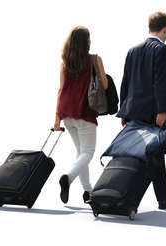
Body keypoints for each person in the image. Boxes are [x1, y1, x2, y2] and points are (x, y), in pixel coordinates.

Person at [116, 11, 166, 209]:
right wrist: (162, 111)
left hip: (133, 111)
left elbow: (126, 82)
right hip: (152, 112)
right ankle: (157, 198)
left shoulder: (132, 50)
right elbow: (161, 83)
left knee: (146, 153)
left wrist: (123, 111)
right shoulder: (162, 50)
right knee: (154, 153)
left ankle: (162, 199)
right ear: (165, 29)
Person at [54, 26, 108, 204]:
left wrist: (57, 118)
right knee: (88, 152)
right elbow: (105, 85)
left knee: (81, 152)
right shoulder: (94, 59)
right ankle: (67, 178)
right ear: (86, 42)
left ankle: (88, 191)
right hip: (84, 110)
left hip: (66, 111)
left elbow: (61, 89)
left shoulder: (65, 62)